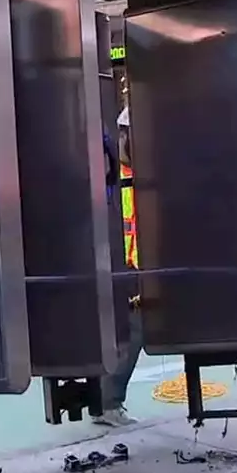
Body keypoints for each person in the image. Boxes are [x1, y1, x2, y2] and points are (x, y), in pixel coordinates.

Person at [96, 105, 141, 428]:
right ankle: (109, 403)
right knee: (130, 337)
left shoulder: (139, 177)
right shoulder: (112, 178)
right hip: (120, 272)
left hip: (136, 272)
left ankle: (106, 402)